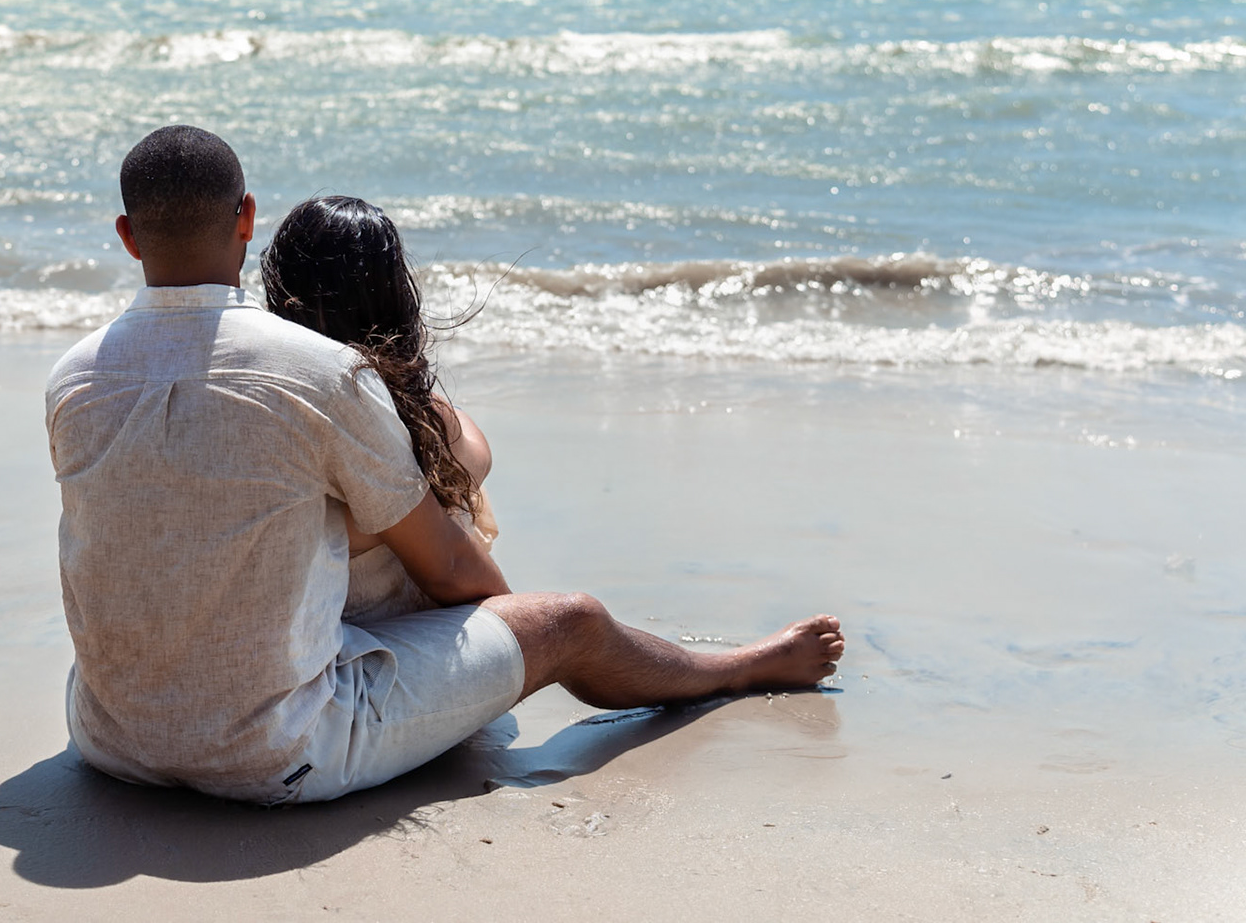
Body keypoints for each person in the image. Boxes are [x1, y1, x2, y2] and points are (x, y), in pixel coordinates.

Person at [45, 125, 844, 806]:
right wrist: (504, 641)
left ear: (125, 234)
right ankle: (737, 668)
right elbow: (457, 571)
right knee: (569, 620)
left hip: (110, 740)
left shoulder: (72, 378)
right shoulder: (318, 372)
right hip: (274, 755)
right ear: (246, 218)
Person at [260, 194, 499, 625]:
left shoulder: (279, 412)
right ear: (396, 296)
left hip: (324, 629)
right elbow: (476, 456)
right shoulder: (419, 417)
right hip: (409, 633)